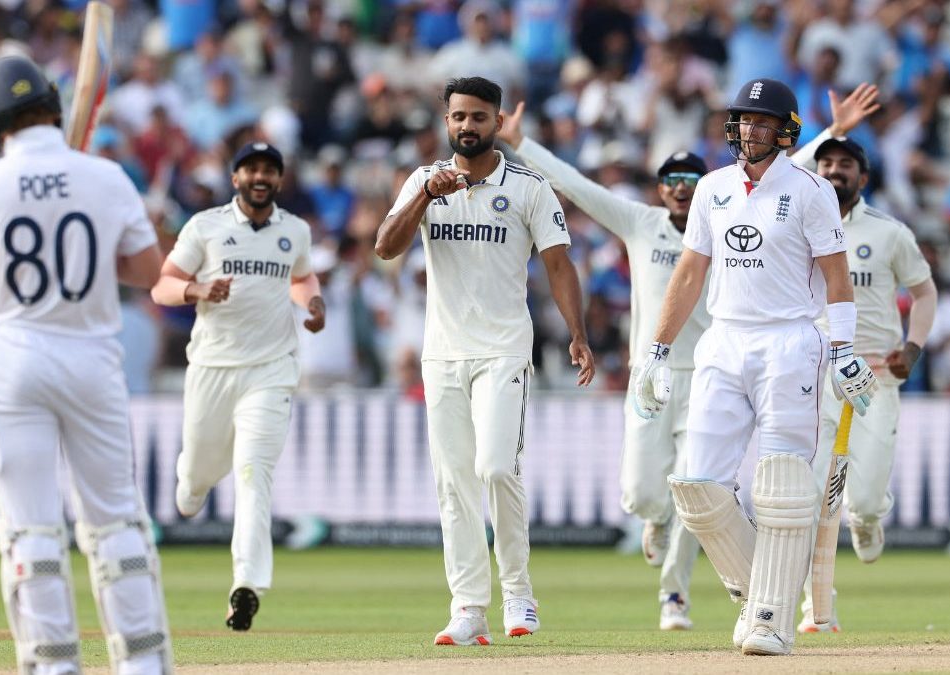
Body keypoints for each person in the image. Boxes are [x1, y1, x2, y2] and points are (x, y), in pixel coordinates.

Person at [0, 55, 173, 674]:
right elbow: (148, 273)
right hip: (91, 355)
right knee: (115, 521)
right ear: (52, 105)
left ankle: (52, 666)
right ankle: (143, 665)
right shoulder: (106, 176)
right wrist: (92, 256)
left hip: (12, 358)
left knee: (31, 530)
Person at [633, 78, 878, 656]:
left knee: (782, 487)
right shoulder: (712, 188)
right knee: (697, 488)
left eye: (765, 122)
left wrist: (843, 350)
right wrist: (658, 349)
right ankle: (763, 596)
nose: (752, 130)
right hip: (722, 340)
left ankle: (770, 620)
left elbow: (837, 277)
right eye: (745, 119)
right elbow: (689, 273)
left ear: (787, 131)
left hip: (789, 341)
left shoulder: (812, 191)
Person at [375, 76, 595, 646]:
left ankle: (518, 593)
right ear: (445, 121)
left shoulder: (528, 187)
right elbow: (385, 247)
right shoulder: (423, 180)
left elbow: (558, 264)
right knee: (454, 483)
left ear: (498, 122)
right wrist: (425, 197)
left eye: (478, 117)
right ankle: (469, 609)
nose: (467, 126)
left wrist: (577, 334)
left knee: (496, 468)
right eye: (458, 116)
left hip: (503, 350)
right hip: (442, 353)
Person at [498, 102, 711, 631]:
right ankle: (654, 517)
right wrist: (522, 144)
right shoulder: (641, 223)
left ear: (705, 188)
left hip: (708, 376)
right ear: (660, 189)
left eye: (690, 180)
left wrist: (831, 132)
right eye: (672, 181)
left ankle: (675, 596)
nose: (681, 189)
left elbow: (778, 179)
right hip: (650, 375)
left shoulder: (726, 223)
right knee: (641, 492)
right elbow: (578, 187)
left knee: (696, 485)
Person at [150, 141, 324, 632]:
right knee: (195, 480)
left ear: (279, 179)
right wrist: (197, 289)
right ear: (235, 178)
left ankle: (246, 586)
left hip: (271, 369)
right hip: (212, 367)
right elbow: (162, 285)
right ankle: (193, 482)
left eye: (269, 170)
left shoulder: (294, 230)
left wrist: (312, 304)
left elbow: (302, 279)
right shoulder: (205, 226)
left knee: (253, 473)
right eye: (251, 170)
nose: (260, 177)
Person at [789, 92, 937, 632]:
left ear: (863, 177)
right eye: (826, 163)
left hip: (875, 378)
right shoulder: (799, 222)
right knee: (810, 497)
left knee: (864, 501)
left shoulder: (889, 232)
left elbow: (925, 293)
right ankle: (817, 608)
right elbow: (780, 175)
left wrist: (913, 348)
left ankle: (870, 518)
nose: (833, 171)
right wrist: (830, 131)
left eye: (844, 165)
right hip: (817, 374)